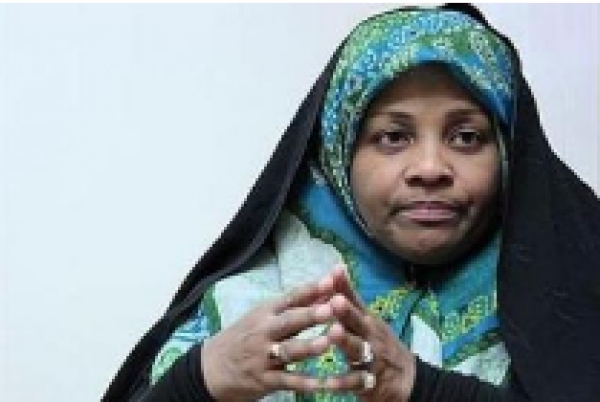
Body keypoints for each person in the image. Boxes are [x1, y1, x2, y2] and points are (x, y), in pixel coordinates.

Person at [104, 4, 600, 401]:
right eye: (392, 137)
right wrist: (197, 381)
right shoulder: (243, 316)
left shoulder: (580, 299)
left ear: (509, 153)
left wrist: (423, 389)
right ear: (338, 157)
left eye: (466, 137)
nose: (430, 167)